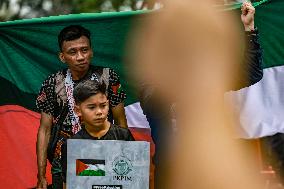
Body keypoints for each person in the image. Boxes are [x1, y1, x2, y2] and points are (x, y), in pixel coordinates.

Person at [137, 2, 263, 188]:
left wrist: (248, 28)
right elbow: (152, 100)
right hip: (171, 175)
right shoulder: (151, 85)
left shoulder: (207, 82)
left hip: (213, 172)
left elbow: (251, 73)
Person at [36, 25, 128, 189]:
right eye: (72, 52)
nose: (80, 57)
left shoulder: (108, 77)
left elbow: (121, 122)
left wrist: (124, 163)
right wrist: (41, 175)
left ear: (91, 51)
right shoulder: (52, 83)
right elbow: (44, 130)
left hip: (105, 152)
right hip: (65, 157)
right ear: (62, 57)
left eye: (84, 50)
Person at [61, 80, 135, 188]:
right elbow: (68, 183)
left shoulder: (123, 136)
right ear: (78, 110)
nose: (99, 112)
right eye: (92, 107)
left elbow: (136, 175)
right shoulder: (72, 145)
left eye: (103, 106)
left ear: (108, 105)